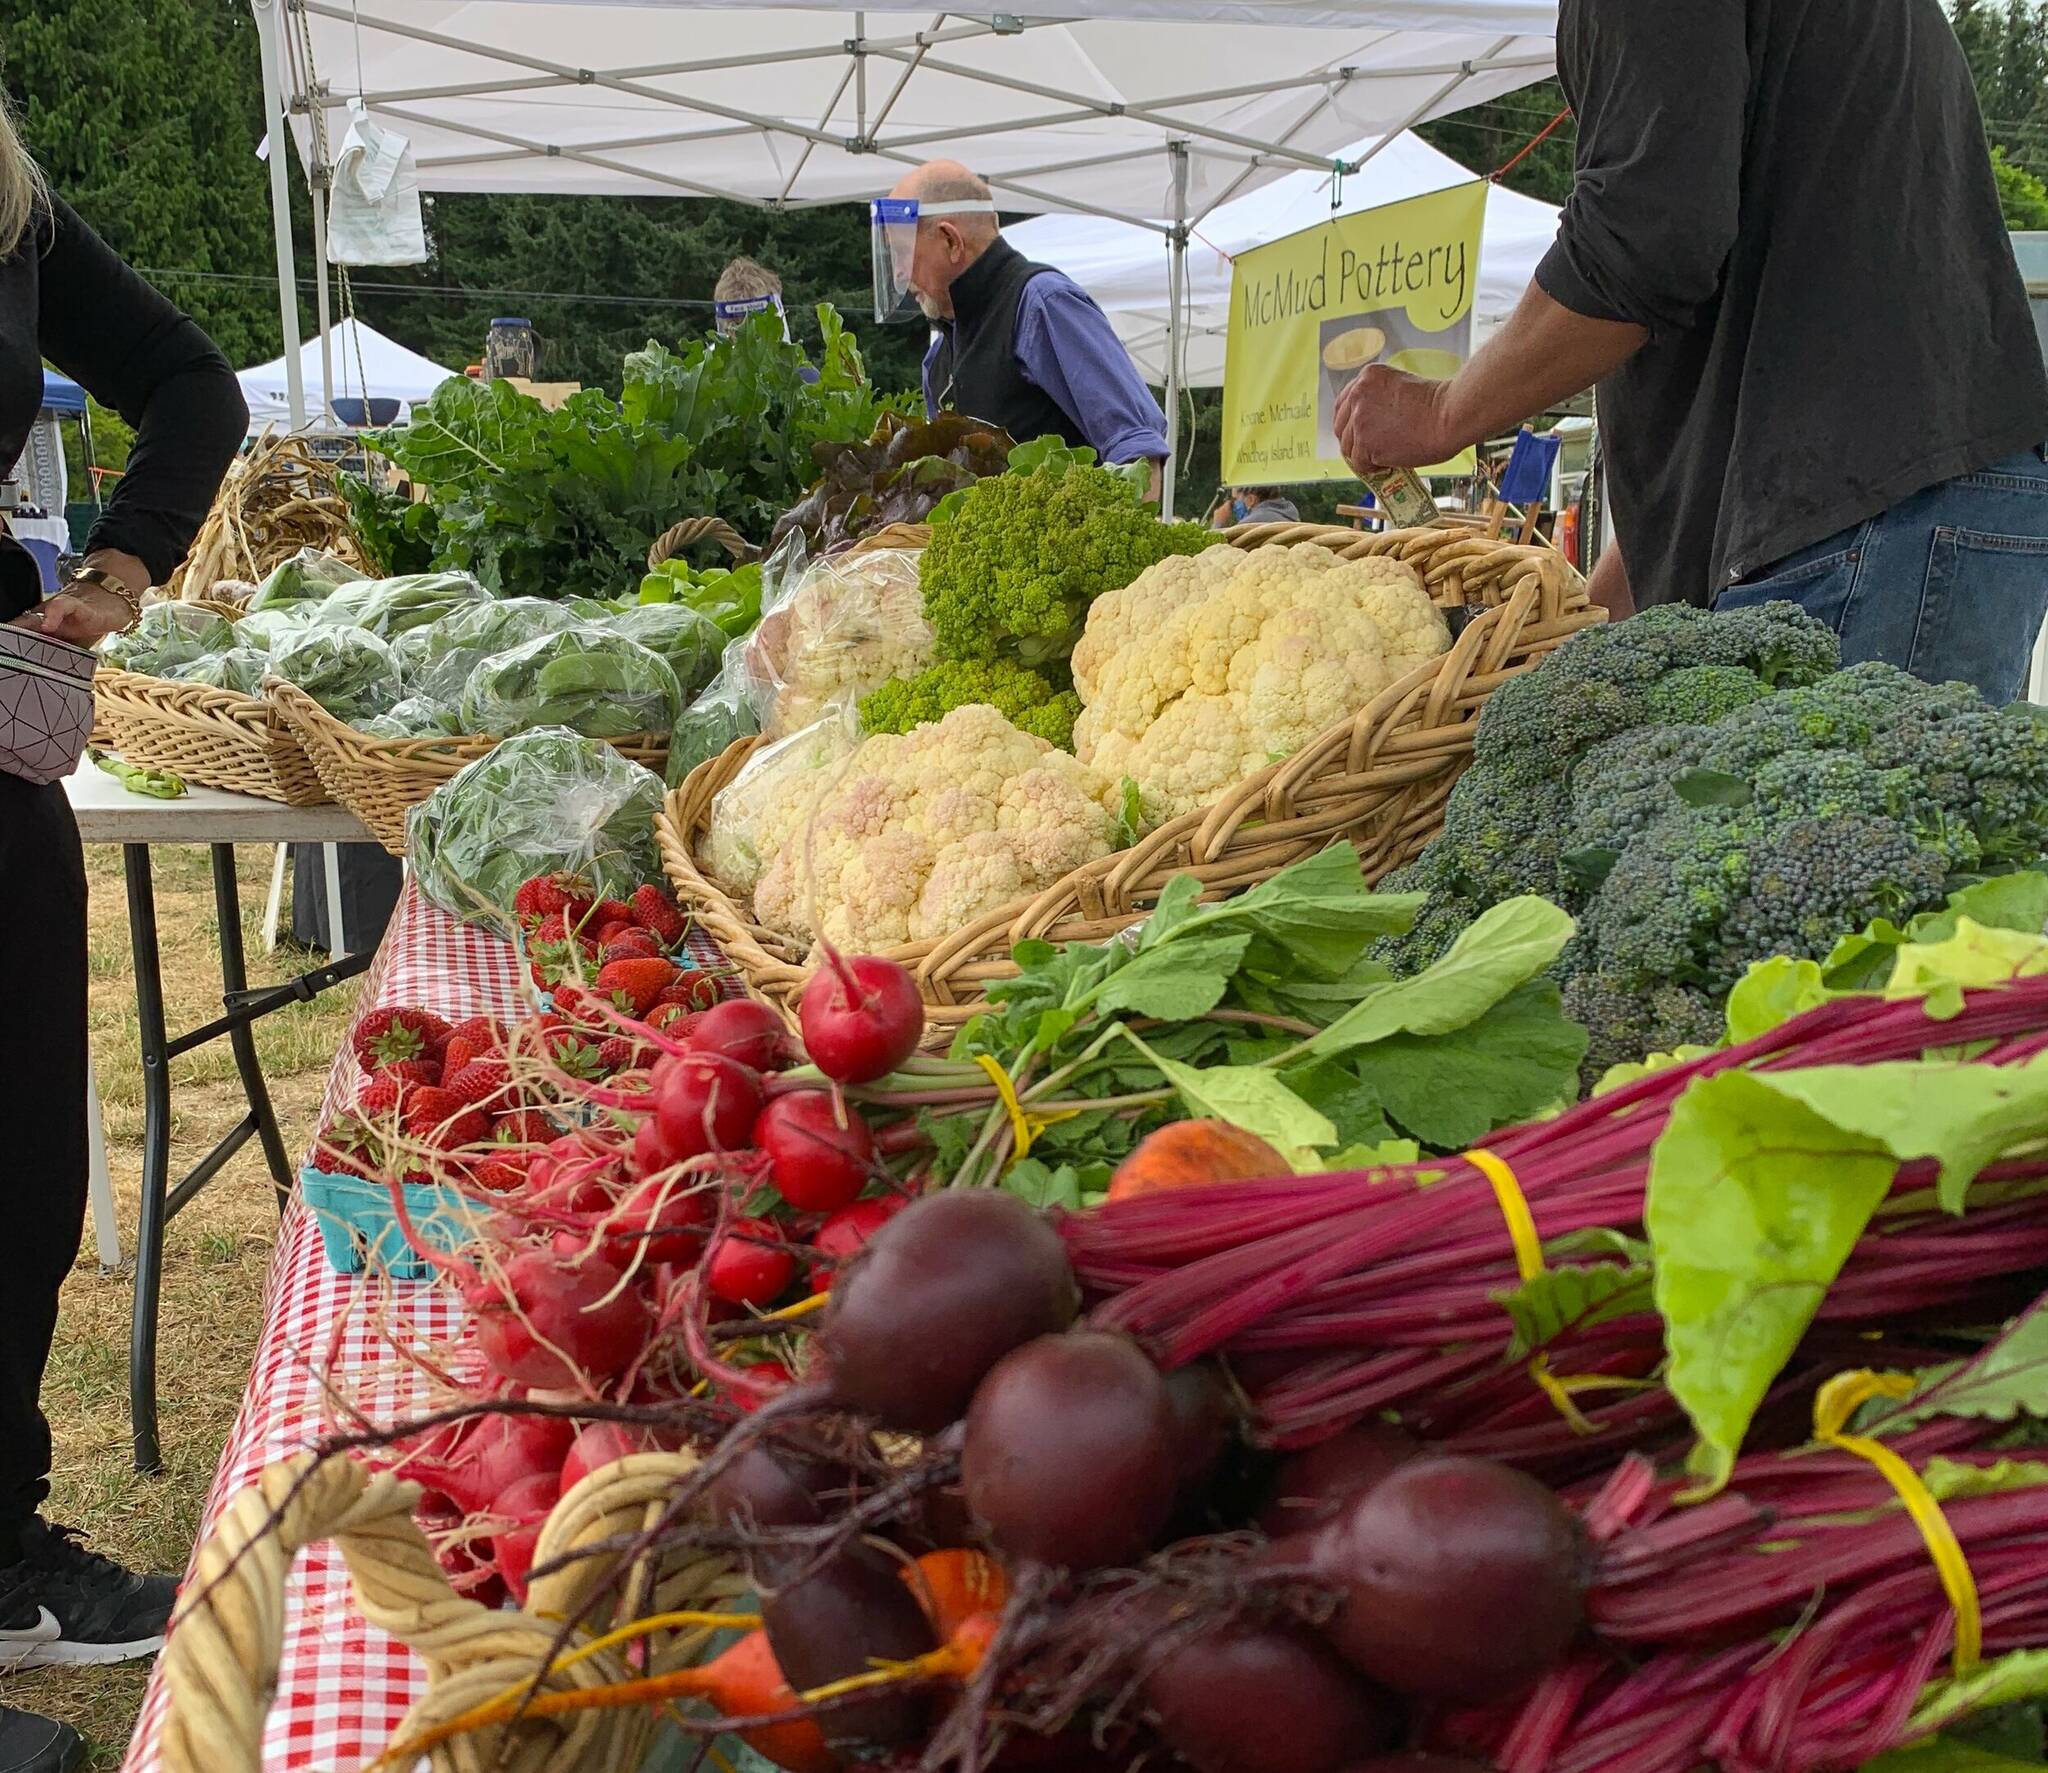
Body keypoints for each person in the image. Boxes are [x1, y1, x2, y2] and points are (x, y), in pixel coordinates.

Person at [1333, 0, 2048, 706]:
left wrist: (1442, 409)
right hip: (1912, 500)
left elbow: (1646, 243)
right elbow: (1737, 326)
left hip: (1865, 529)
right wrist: (1594, 616)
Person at [0, 101, 245, 1773]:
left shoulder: (8, 203)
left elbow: (195, 381)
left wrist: (117, 564)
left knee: (21, 1155)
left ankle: (5, 1547)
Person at [879, 161, 1169, 480]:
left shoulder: (1040, 303)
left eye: (903, 252)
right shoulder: (937, 360)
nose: (899, 273)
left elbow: (1139, 455)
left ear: (950, 241)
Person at [1209, 486, 1300, 529]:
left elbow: (1220, 556)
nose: (1233, 505)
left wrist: (1218, 525)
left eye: (1235, 500)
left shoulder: (1250, 525)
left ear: (1251, 500)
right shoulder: (1291, 515)